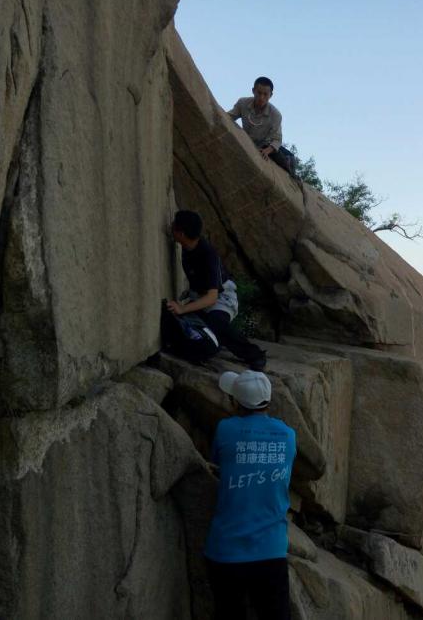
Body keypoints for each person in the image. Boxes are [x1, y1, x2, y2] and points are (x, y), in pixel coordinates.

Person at [205, 370, 297, 620]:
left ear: (235, 402)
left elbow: (217, 462)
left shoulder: (226, 429)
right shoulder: (289, 436)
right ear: (268, 401)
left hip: (226, 550)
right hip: (271, 550)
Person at [165, 210, 266, 370]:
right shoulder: (187, 245)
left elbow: (212, 298)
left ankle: (255, 355)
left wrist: (183, 307)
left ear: (182, 234)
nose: (170, 226)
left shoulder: (208, 254)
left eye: (174, 226)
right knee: (179, 321)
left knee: (216, 323)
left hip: (222, 298)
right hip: (200, 298)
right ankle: (212, 344)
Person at [227, 76, 295, 175]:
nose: (261, 97)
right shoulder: (243, 103)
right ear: (253, 91)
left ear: (271, 95)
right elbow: (230, 116)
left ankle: (292, 173)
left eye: (265, 94)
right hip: (247, 140)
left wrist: (266, 151)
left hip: (265, 145)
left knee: (285, 158)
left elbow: (277, 139)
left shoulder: (275, 115)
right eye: (259, 93)